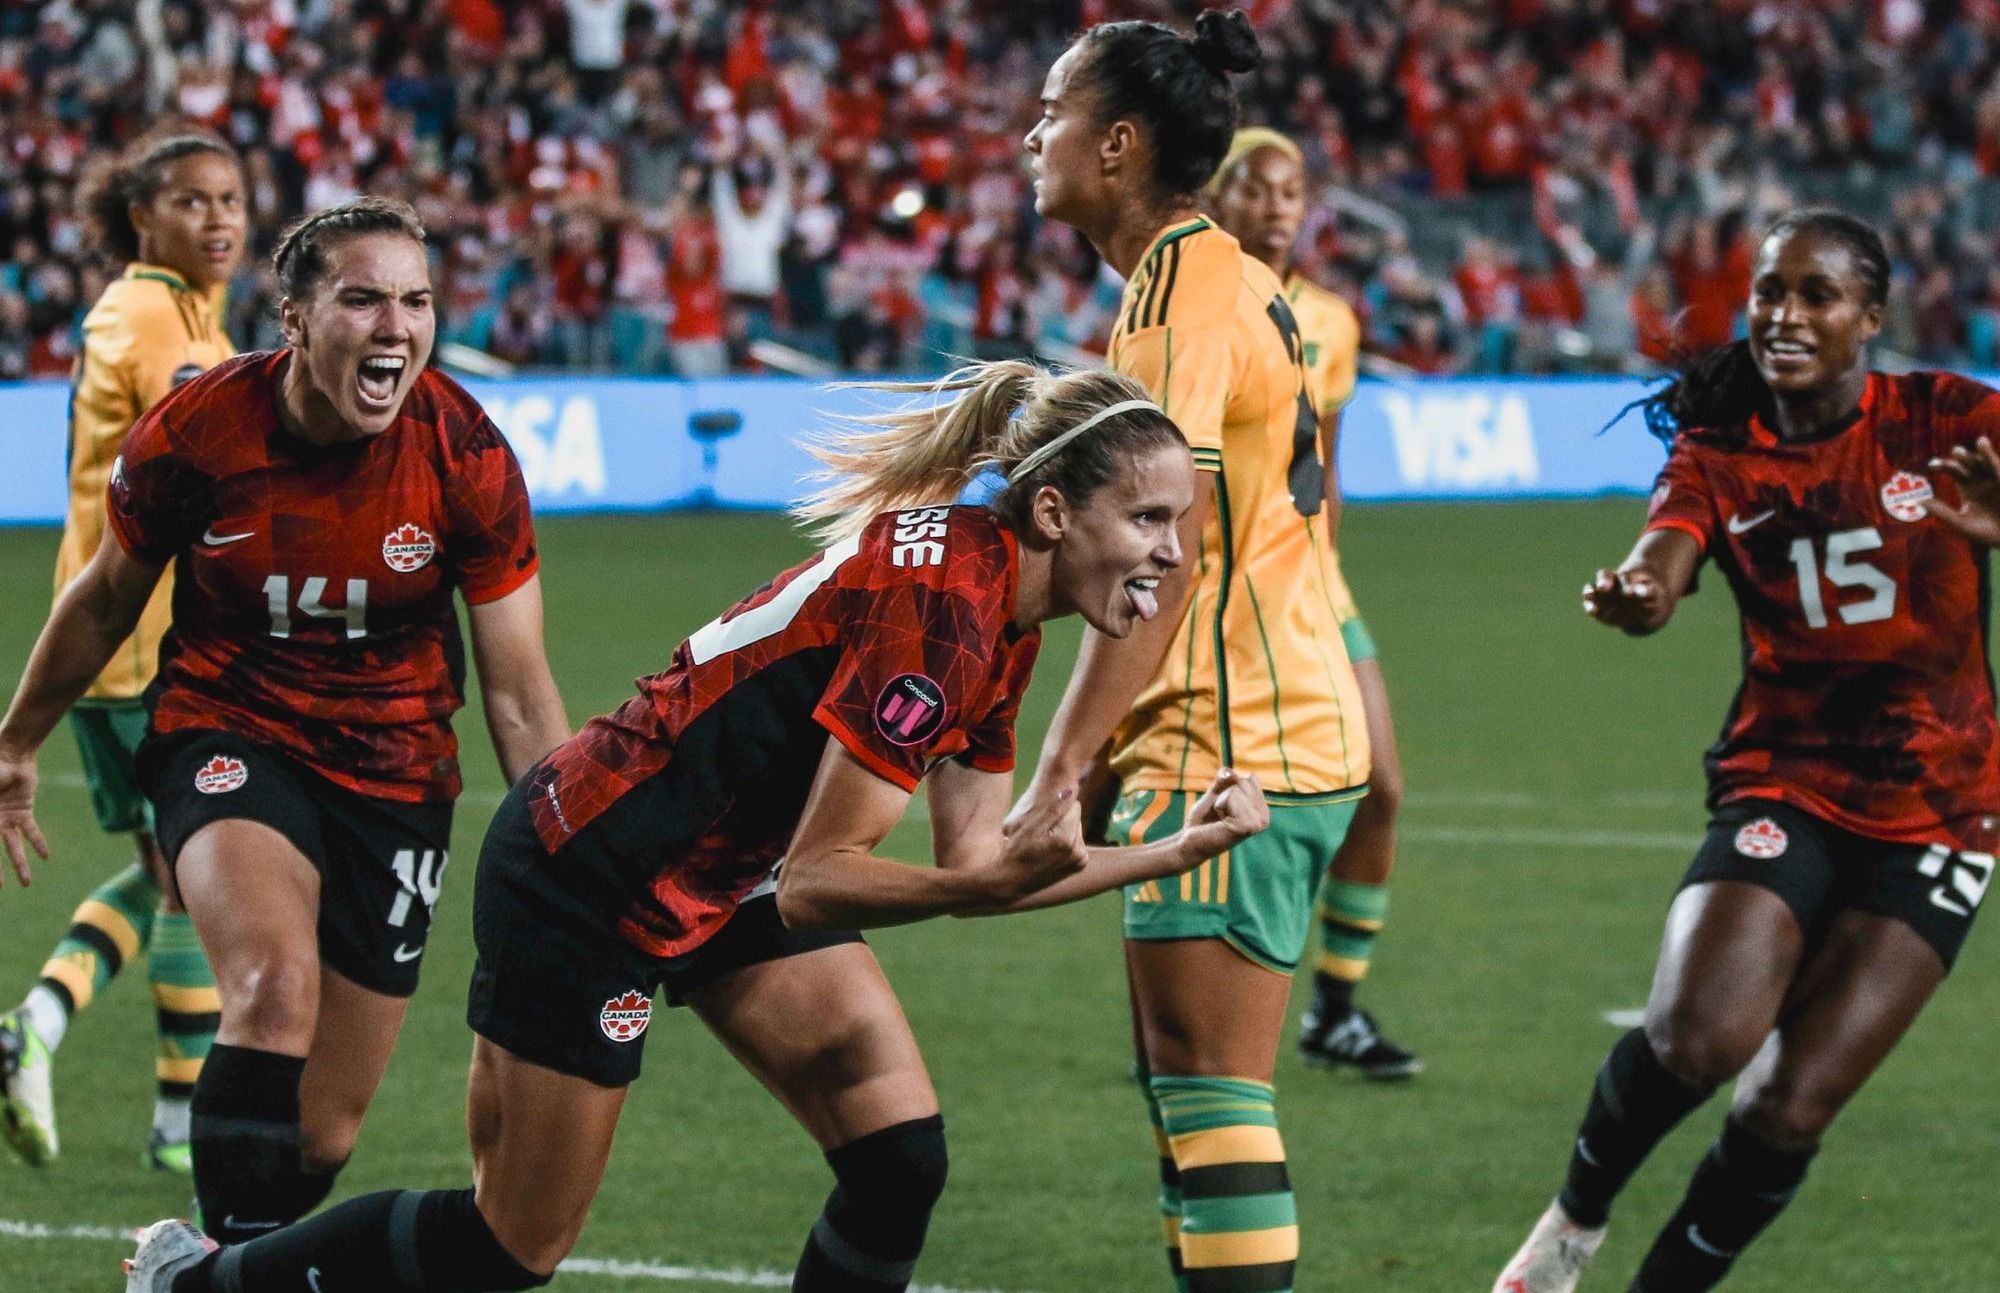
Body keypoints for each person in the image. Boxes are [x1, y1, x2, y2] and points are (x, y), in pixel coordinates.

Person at [121, 359, 1271, 1293]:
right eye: (1150, 517)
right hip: (594, 879)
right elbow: (831, 880)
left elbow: (982, 861)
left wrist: (1176, 850)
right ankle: (195, 1285)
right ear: (1057, 510)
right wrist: (986, 886)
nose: (1172, 552)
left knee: (896, 1159)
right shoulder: (949, 610)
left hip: (720, 875)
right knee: (507, 1248)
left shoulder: (1001, 610)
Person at [0, 196, 571, 1247]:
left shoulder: (466, 454)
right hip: (230, 734)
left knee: (316, 1136)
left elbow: (520, 691)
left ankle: (206, 1260)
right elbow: (105, 596)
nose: (396, 326)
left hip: (399, 777)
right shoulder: (200, 430)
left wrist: (568, 855)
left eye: (416, 300)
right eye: (361, 298)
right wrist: (15, 741)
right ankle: (209, 1273)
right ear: (295, 318)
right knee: (270, 989)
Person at [1493, 208, 2000, 1293]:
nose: (1783, 314)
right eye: (1770, 290)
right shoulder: (1719, 451)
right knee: (1695, 1035)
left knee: (1787, 1103)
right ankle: (1570, 1224)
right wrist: (1634, 597)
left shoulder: (1947, 419)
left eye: (1816, 296)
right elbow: (1659, 561)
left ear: (1867, 318)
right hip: (1787, 778)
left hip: (1945, 806)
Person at [1020, 14, 1372, 1291]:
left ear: (1115, 145)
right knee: (1188, 1108)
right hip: (1278, 723)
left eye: (1052, 112)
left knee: (1214, 1109)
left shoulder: (1175, 298)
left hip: (1234, 747)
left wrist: (1059, 766)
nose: (1030, 135)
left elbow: (1155, 562)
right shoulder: (1229, 278)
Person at [0, 127, 244, 1175]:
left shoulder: (186, 308)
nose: (220, 218)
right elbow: (214, 443)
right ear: (141, 218)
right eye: (192, 201)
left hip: (147, 640)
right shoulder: (147, 315)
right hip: (138, 644)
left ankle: (47, 1037)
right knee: (193, 870)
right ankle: (177, 1116)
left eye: (231, 198)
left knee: (173, 865)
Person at [1209, 126, 1421, 1080]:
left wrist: (1325, 565)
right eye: (1256, 186)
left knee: (1381, 786)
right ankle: (1185, 1008)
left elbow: (1324, 458)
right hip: (1222, 590)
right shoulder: (1193, 305)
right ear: (1216, 198)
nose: (1278, 204)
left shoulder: (1333, 319)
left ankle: (1334, 1009)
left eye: (1291, 189)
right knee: (1209, 805)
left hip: (1312, 585)